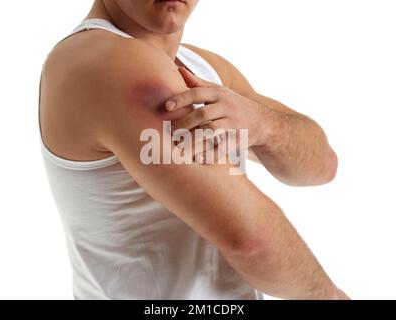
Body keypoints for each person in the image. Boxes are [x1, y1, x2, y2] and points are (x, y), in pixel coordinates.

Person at [38, 0, 349, 299]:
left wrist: (262, 125)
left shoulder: (202, 67)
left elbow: (322, 165)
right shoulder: (109, 63)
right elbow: (252, 242)